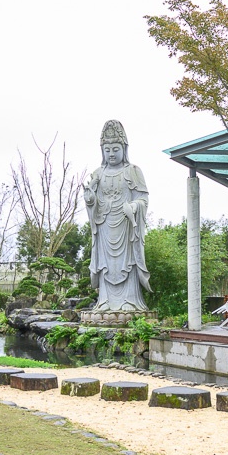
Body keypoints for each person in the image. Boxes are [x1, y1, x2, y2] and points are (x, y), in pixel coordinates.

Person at [84, 119, 151, 311]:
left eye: (115, 149)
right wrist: (90, 200)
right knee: (106, 265)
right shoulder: (98, 173)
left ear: (124, 148)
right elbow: (93, 202)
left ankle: (130, 301)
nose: (111, 153)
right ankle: (105, 301)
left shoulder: (133, 171)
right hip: (104, 226)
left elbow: (143, 199)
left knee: (127, 264)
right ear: (102, 151)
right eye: (107, 149)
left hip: (126, 226)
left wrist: (134, 206)